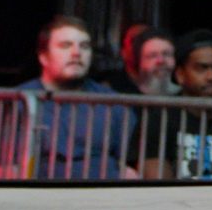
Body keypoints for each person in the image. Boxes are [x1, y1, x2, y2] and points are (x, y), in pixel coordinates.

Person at [16, 15, 128, 182]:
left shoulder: (113, 102)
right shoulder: (17, 101)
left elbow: (127, 161)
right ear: (43, 57)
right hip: (40, 193)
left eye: (84, 46)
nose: (76, 53)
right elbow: (2, 166)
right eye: (65, 45)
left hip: (102, 193)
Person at [145, 29, 212, 183]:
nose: (211, 76)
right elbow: (158, 182)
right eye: (202, 68)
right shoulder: (160, 118)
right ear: (180, 75)